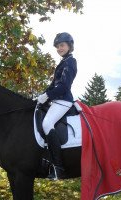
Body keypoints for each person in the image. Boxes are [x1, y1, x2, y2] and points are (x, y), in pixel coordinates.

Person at [37, 32, 77, 180]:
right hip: (56, 99)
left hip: (64, 100)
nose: (59, 48)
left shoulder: (71, 62)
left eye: (62, 45)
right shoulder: (63, 62)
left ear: (69, 46)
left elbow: (64, 86)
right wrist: (42, 96)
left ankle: (58, 167)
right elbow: (53, 85)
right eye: (57, 46)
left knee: (47, 123)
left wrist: (47, 96)